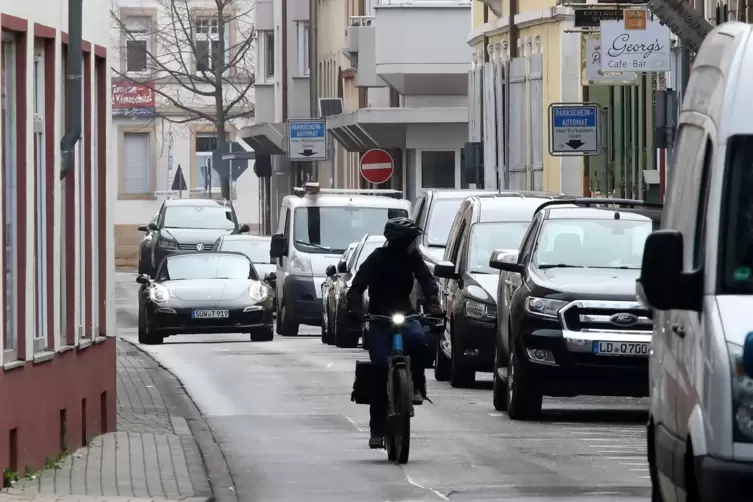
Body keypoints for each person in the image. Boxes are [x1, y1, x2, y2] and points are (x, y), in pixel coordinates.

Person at [346, 217, 443, 449]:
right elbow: (356, 288)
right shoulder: (376, 259)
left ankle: (417, 384)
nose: (413, 245)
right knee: (379, 369)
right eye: (411, 241)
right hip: (380, 319)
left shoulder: (413, 259)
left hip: (406, 316)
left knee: (419, 341)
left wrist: (433, 304)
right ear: (399, 241)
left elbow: (428, 282)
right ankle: (377, 429)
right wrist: (357, 311)